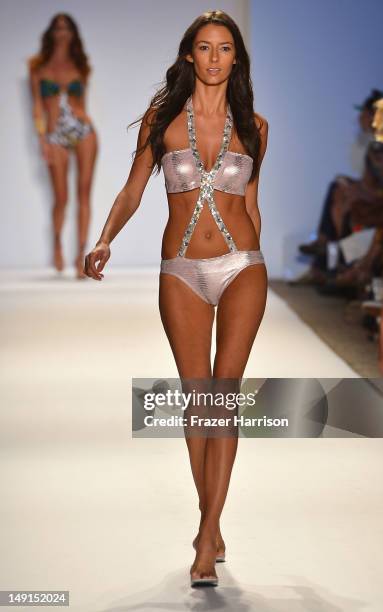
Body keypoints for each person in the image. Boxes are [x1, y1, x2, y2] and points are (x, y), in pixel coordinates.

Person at [84, 10, 268, 587]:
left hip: (243, 266)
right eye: (204, 48)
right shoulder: (161, 121)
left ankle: (206, 538)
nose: (214, 58)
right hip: (181, 269)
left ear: (236, 58)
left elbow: (254, 206)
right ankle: (208, 523)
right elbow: (134, 187)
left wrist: (272, 275)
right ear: (189, 55)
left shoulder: (256, 125)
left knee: (225, 393)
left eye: (224, 48)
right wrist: (105, 238)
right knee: (198, 399)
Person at [28, 13, 98, 278]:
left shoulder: (81, 66)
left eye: (67, 28)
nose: (62, 32)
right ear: (51, 32)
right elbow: (37, 107)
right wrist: (42, 138)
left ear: (73, 33)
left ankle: (81, 254)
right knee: (61, 197)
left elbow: (84, 103)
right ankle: (57, 243)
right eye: (58, 28)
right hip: (55, 132)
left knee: (84, 193)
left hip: (83, 130)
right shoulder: (38, 67)